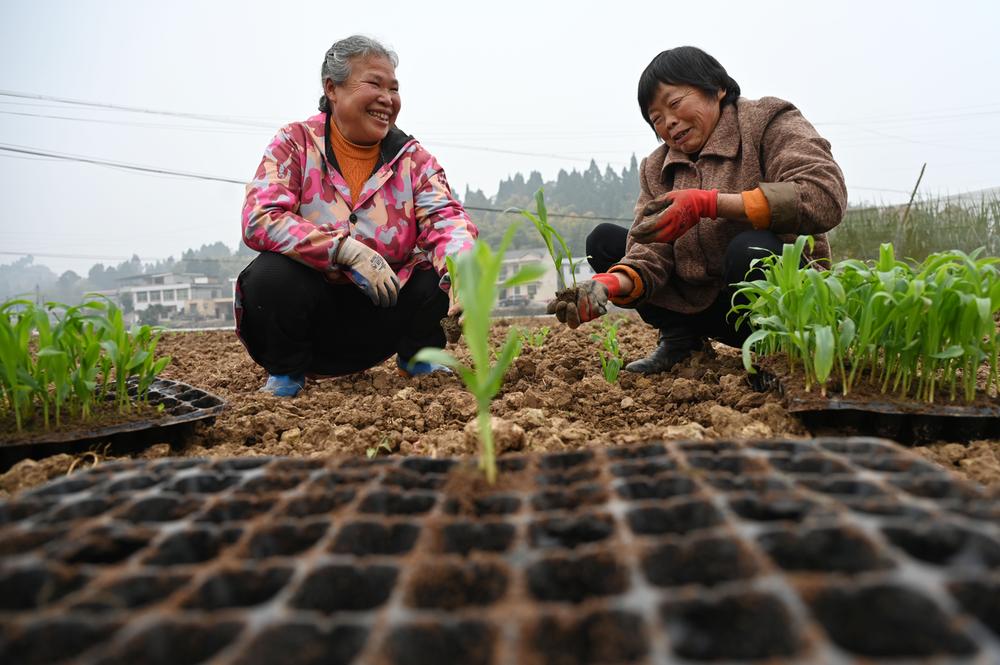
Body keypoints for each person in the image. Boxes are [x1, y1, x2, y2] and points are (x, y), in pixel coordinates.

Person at [550, 46, 847, 373]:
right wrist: (609, 285)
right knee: (605, 241)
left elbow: (824, 195)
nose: (670, 123)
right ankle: (682, 341)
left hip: (782, 303)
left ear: (717, 88)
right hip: (706, 308)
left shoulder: (768, 122)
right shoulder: (657, 167)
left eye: (675, 103)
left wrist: (710, 204)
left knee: (750, 249)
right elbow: (650, 250)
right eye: (657, 118)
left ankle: (779, 352)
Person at [236, 35, 477, 396]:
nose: (388, 98)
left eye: (394, 88)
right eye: (375, 84)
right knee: (269, 276)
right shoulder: (296, 143)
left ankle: (417, 357)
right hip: (311, 318)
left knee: (436, 272)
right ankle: (287, 372)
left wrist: (464, 275)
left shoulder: (413, 160)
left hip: (383, 316)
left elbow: (447, 220)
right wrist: (343, 249)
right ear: (332, 88)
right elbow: (260, 216)